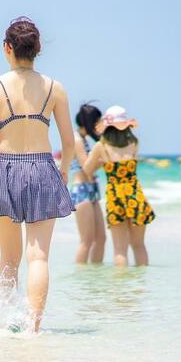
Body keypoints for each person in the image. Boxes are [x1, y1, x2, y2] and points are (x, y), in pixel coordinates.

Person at [0, 17, 75, 332]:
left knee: (9, 258)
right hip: (44, 168)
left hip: (5, 168)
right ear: (37, 49)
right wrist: (65, 172)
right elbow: (69, 142)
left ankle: (4, 325)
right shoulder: (54, 88)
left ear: (7, 48)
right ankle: (33, 329)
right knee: (39, 257)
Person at [83, 106, 155, 267]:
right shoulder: (134, 143)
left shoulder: (101, 147)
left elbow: (87, 170)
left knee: (120, 250)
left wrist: (102, 164)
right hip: (135, 195)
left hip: (115, 198)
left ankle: (121, 291)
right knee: (139, 246)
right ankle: (140, 288)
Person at [70, 104, 106, 264]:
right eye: (98, 121)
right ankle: (81, 282)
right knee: (86, 240)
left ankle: (94, 279)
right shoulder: (77, 139)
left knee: (101, 238)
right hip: (81, 190)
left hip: (91, 190)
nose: (100, 125)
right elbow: (87, 168)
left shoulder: (83, 139)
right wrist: (107, 158)